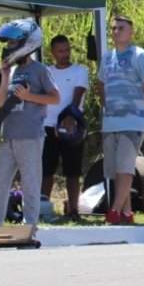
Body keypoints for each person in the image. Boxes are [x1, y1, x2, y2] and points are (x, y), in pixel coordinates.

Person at [0, 19, 59, 229]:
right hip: (8, 135)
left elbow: (55, 98)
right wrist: (4, 75)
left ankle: (30, 226)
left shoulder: (39, 70)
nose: (8, 47)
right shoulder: (12, 70)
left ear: (28, 43)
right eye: (7, 43)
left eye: (11, 42)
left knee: (30, 183)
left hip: (30, 135)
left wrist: (29, 96)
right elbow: (1, 102)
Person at [97, 15, 144, 225]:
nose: (116, 32)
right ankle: (126, 213)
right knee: (115, 169)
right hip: (111, 122)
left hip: (132, 122)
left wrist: (141, 110)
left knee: (125, 168)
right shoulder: (107, 58)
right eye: (113, 28)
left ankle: (113, 211)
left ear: (131, 32)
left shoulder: (140, 56)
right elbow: (101, 84)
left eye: (121, 28)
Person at [41, 34, 91, 221]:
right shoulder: (46, 71)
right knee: (46, 170)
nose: (65, 54)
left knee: (72, 170)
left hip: (72, 126)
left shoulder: (80, 71)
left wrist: (70, 117)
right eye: (61, 51)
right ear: (53, 51)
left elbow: (77, 96)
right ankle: (44, 207)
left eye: (67, 50)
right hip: (47, 125)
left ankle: (73, 209)